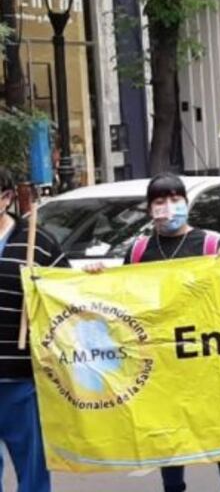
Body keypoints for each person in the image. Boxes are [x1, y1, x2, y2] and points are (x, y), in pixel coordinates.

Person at [87, 173, 220, 492]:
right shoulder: (140, 251)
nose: (168, 207)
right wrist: (97, 277)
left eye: (175, 200)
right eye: (160, 201)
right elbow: (123, 296)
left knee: (219, 425)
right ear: (149, 209)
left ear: (187, 203)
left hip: (205, 353)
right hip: (162, 356)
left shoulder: (211, 244)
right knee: (168, 429)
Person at [0, 168, 68, 492]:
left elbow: (69, 297)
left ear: (7, 198)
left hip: (21, 378)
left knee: (32, 469)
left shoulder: (37, 244)